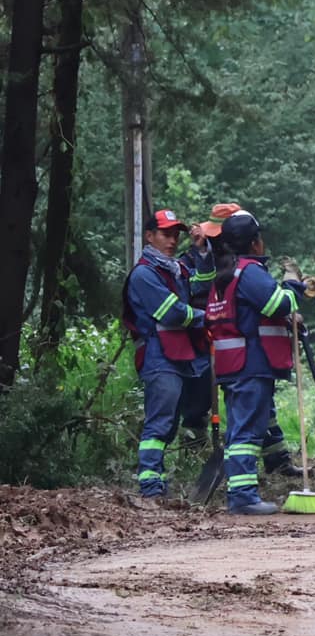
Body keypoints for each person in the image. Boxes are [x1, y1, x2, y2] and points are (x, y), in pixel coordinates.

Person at [203, 212, 304, 516]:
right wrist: (293, 286)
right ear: (255, 243)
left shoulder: (224, 274)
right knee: (247, 433)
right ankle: (244, 497)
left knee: (239, 432)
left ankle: (240, 492)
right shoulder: (249, 272)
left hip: (233, 364)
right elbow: (278, 304)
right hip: (252, 363)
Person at [123, 210, 211, 501]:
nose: (172, 240)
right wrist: (206, 316)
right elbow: (171, 313)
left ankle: (158, 485)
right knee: (160, 423)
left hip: (179, 356)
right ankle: (150, 488)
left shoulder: (173, 269)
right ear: (149, 236)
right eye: (166, 234)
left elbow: (203, 285)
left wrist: (201, 249)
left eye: (176, 234)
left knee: (170, 424)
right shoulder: (144, 274)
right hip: (158, 358)